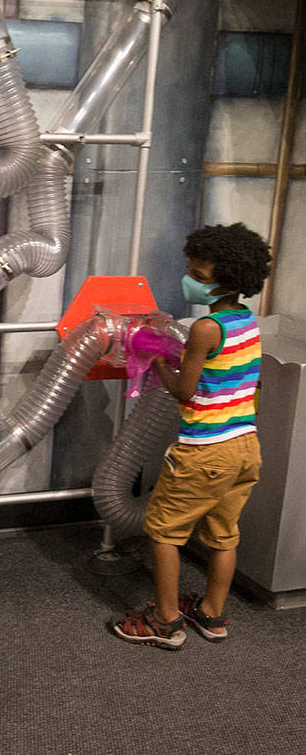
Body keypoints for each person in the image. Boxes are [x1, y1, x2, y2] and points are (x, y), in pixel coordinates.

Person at [113, 222, 271, 649]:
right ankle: (212, 614)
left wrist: (154, 357)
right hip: (245, 447)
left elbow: (185, 390)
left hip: (205, 450)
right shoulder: (247, 322)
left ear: (228, 279)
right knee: (224, 533)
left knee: (163, 530)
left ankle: (165, 621)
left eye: (198, 277)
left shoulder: (206, 329)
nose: (189, 281)